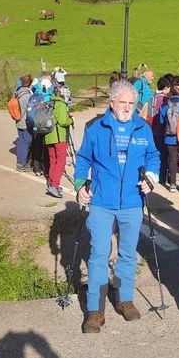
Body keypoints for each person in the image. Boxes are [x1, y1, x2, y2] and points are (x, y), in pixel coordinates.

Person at [74, 80, 160, 333]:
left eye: (132, 103)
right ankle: (95, 309)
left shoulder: (143, 128)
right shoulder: (95, 128)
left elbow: (153, 156)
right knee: (99, 253)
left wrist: (151, 178)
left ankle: (124, 299)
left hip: (133, 202)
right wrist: (80, 186)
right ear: (111, 102)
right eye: (122, 102)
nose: (127, 107)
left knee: (128, 253)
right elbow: (83, 159)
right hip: (102, 202)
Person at [159, 77, 179, 192]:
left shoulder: (166, 104)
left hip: (169, 136)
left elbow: (161, 120)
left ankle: (172, 184)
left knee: (172, 159)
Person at [45, 84, 73, 198]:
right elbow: (63, 121)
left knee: (53, 161)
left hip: (48, 135)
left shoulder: (50, 102)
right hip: (59, 136)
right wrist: (70, 119)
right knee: (61, 161)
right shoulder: (61, 104)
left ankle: (51, 183)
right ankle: (54, 185)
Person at [13, 75, 34, 172]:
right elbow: (31, 110)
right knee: (26, 143)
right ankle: (22, 164)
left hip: (18, 120)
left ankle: (20, 162)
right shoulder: (27, 95)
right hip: (25, 122)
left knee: (21, 142)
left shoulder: (17, 92)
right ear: (29, 84)